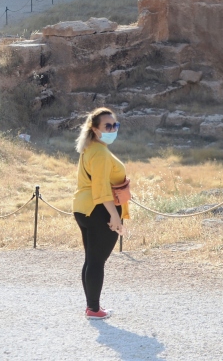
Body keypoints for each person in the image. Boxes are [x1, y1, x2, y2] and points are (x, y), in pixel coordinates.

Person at [72, 108, 129, 320]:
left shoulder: (90, 148)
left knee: (91, 260)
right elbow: (101, 189)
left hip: (83, 208)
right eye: (108, 126)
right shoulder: (101, 153)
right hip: (98, 210)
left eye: (115, 125)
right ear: (95, 129)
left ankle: (92, 307)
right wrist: (114, 216)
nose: (113, 129)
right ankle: (94, 309)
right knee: (96, 261)